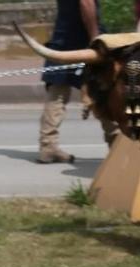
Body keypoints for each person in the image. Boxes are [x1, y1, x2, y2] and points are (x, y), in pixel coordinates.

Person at [39, 0, 108, 164]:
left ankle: (48, 146)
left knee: (57, 93)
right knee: (104, 90)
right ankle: (116, 141)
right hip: (81, 39)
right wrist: (95, 37)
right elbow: (86, 3)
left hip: (64, 37)